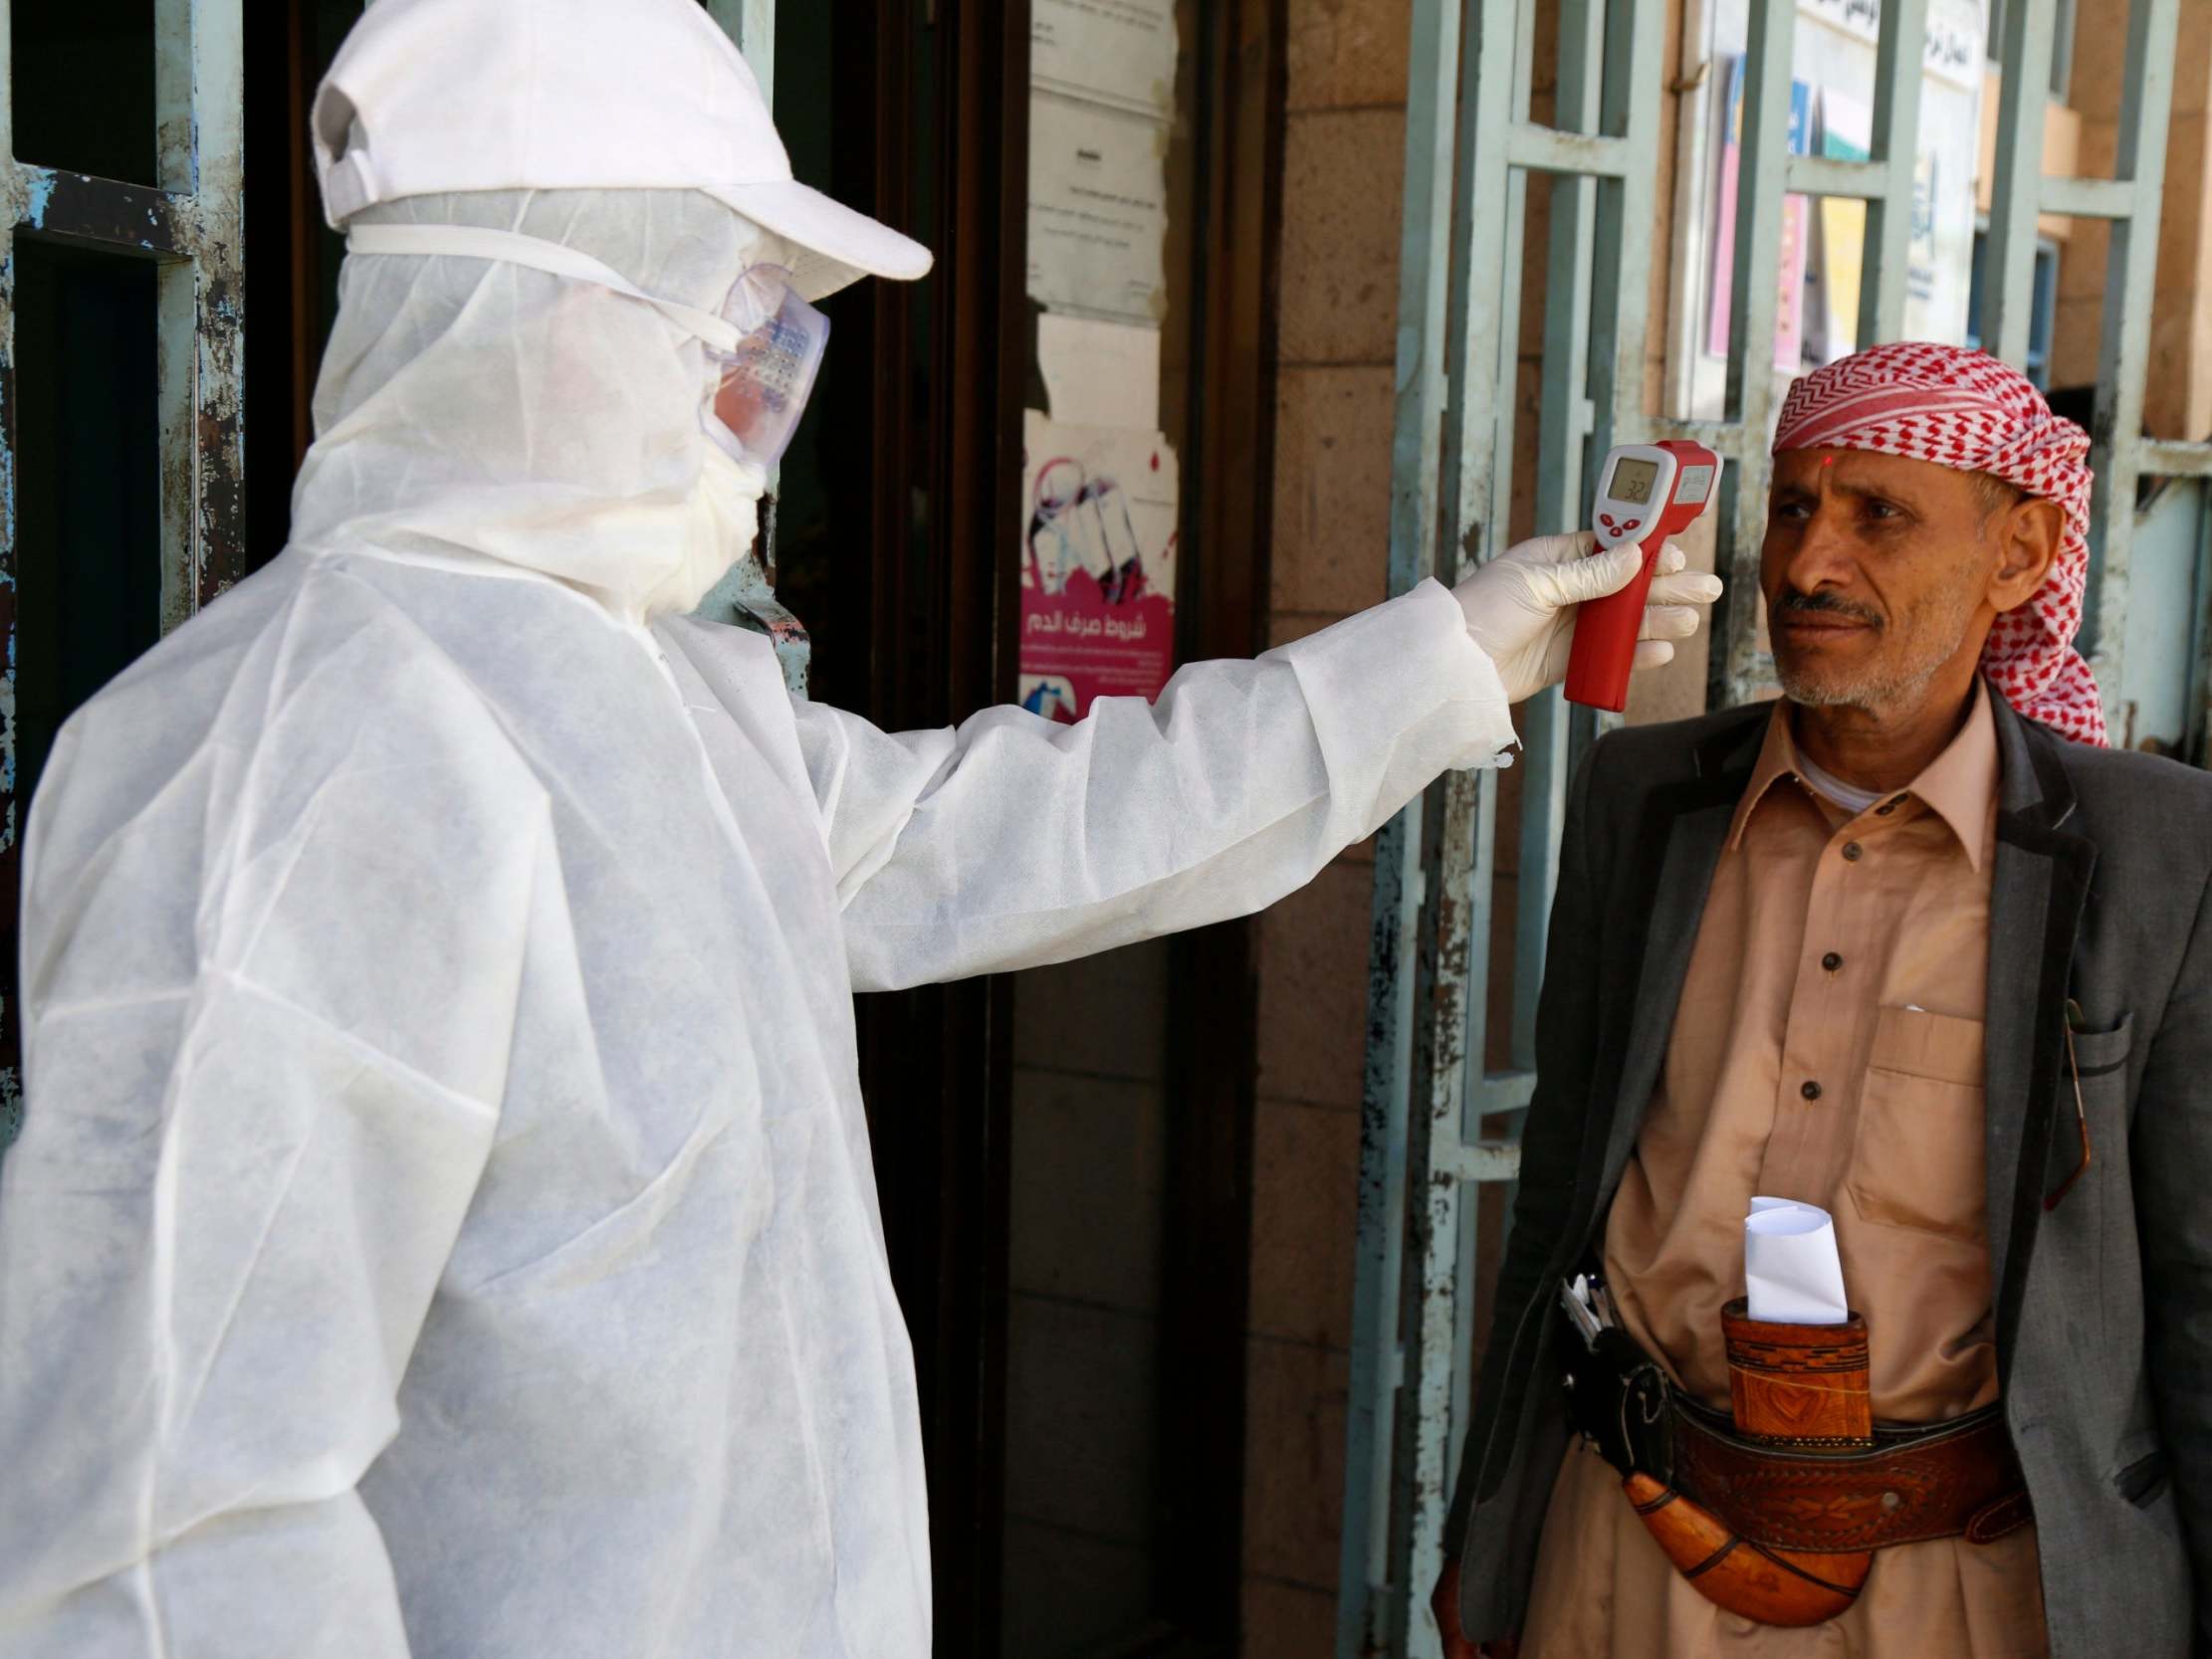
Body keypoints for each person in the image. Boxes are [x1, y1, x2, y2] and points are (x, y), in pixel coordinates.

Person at [0, 2, 1718, 1655]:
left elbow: (1040, 826)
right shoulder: (292, 759)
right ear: (554, 324)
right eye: (731, 336)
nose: (756, 421)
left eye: (780, 353)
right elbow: (156, 1540)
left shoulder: (667, 707)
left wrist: (1444, 654)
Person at [1433, 340, 2212, 1659]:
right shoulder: (1645, 798)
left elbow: (2196, 1283)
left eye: (1877, 517)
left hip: (1967, 1589)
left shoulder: (2155, 851)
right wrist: (1492, 1536)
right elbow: (1561, 1187)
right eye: (1792, 506)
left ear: (2018, 556)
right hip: (1626, 1547)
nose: (1804, 565)